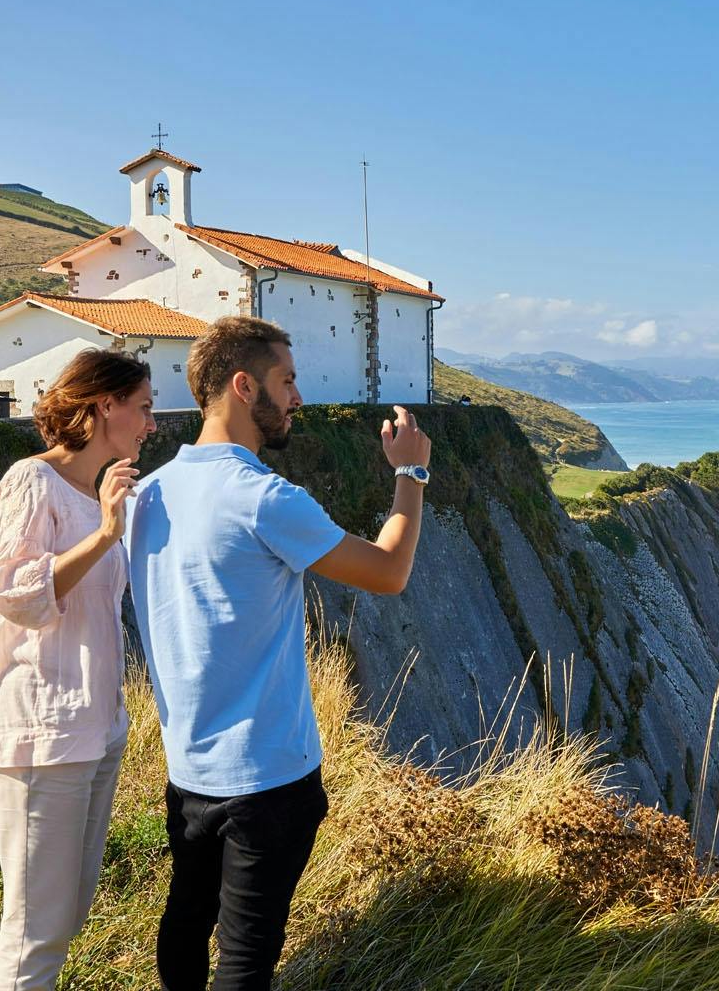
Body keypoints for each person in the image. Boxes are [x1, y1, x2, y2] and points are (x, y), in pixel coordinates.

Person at [127, 316, 432, 990]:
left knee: (185, 918)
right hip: (267, 774)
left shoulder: (145, 495)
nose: (298, 397)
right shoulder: (263, 497)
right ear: (244, 385)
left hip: (189, 767)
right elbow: (388, 570)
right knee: (247, 954)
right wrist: (411, 471)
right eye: (286, 380)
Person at [0, 349, 155, 990]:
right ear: (105, 406)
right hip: (39, 732)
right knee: (35, 932)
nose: (152, 424)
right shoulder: (33, 481)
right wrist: (106, 534)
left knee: (68, 911)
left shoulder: (92, 490)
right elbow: (15, 593)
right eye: (144, 407)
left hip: (95, 725)